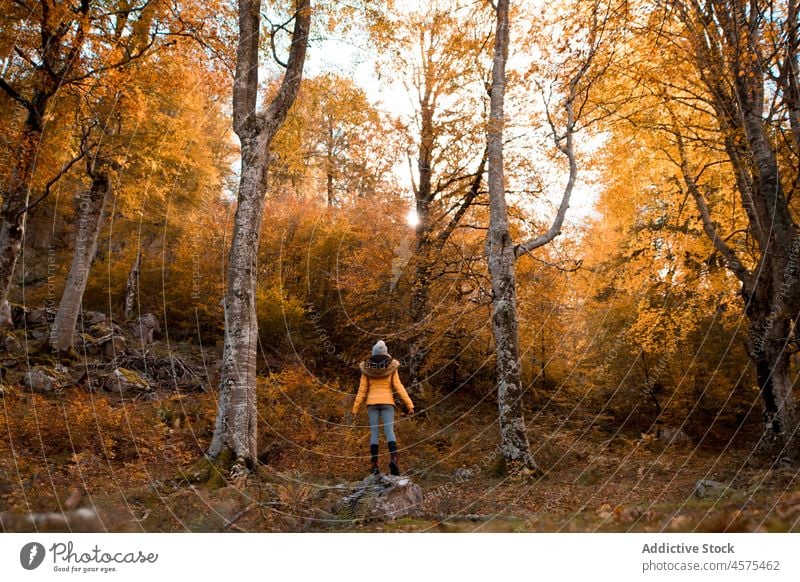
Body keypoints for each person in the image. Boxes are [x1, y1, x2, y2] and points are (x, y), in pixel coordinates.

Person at [351, 340, 414, 475]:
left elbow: (362, 390)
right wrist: (409, 404)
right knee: (389, 431)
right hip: (387, 403)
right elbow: (399, 387)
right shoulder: (391, 368)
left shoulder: (367, 369)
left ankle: (374, 465)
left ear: (373, 353)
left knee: (374, 433)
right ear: (386, 353)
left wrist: (355, 409)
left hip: (372, 404)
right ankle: (394, 459)